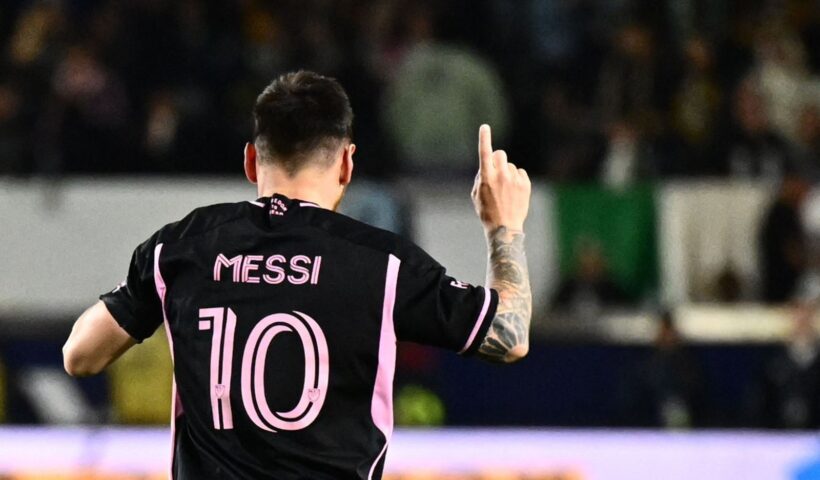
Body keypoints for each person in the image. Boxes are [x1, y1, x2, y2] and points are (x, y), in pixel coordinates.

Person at [61, 71, 532, 479]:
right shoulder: (381, 264)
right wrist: (504, 229)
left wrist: (145, 290)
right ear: (346, 162)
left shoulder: (181, 248)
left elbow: (79, 355)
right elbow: (508, 336)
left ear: (251, 161)